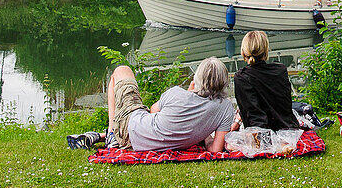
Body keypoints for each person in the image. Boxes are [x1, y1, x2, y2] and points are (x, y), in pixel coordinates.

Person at [67, 57, 234, 152]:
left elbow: (153, 112)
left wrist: (189, 94)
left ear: (197, 78)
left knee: (121, 71)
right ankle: (102, 135)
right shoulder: (225, 108)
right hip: (140, 140)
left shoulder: (176, 93)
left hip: (132, 129)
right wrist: (206, 135)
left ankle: (112, 134)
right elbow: (215, 150)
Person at [233, 31, 299, 131]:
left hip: (262, 135)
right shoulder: (280, 70)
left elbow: (254, 114)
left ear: (243, 52)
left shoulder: (242, 77)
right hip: (288, 128)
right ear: (266, 50)